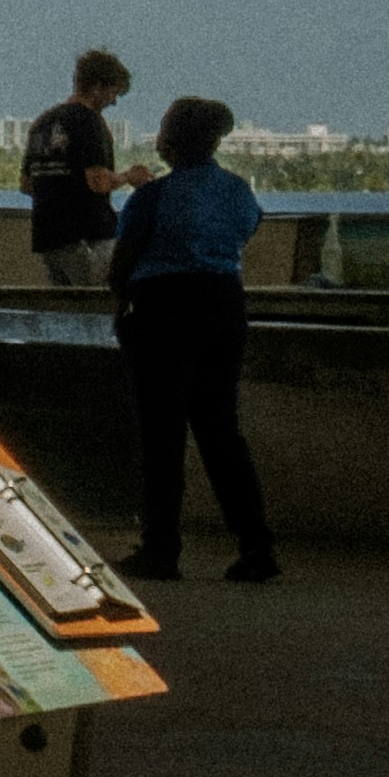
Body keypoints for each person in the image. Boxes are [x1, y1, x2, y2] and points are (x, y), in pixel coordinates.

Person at [109, 93, 280, 583]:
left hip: (162, 309)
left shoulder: (151, 197)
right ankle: (256, 547)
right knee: (221, 430)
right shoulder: (238, 192)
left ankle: (161, 548)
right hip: (224, 305)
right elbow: (247, 231)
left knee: (161, 435)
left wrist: (124, 307)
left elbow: (122, 263)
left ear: (172, 140)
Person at [22, 49, 130, 290]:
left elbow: (27, 184)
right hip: (88, 236)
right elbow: (98, 182)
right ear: (98, 87)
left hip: (48, 237)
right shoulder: (89, 122)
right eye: (113, 92)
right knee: (96, 307)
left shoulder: (43, 122)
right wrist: (128, 176)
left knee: (65, 313)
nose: (114, 101)